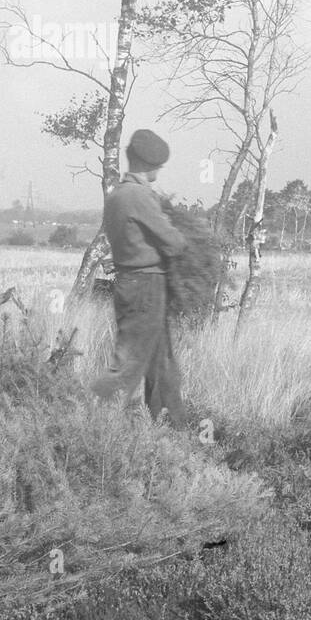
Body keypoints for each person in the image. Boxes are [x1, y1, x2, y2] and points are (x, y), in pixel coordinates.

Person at [91, 128, 189, 424]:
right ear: (150, 165)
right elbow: (174, 243)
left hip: (132, 283)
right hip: (146, 286)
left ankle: (173, 431)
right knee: (129, 365)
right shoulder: (139, 196)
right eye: (158, 165)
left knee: (162, 366)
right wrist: (177, 232)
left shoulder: (117, 195)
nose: (159, 170)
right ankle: (90, 421)